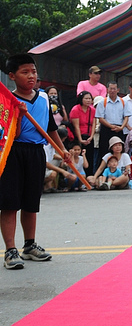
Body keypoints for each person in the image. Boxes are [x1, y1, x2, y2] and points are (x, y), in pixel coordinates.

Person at [1, 54, 70, 269]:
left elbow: (50, 128)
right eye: (25, 72)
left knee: (31, 202)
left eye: (33, 71)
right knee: (10, 203)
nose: (31, 76)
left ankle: (29, 246)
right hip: (13, 153)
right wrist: (19, 116)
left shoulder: (43, 98)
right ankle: (10, 251)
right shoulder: (8, 103)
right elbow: (9, 134)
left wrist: (63, 150)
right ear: (12, 76)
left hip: (36, 152)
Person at [94, 81, 131, 161]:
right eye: (111, 89)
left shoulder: (123, 102)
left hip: (119, 129)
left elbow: (126, 117)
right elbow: (100, 118)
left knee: (119, 151)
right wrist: (110, 126)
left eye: (114, 89)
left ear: (118, 90)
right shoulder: (102, 102)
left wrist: (121, 127)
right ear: (107, 90)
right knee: (104, 151)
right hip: (106, 129)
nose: (112, 91)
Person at [69, 91, 96, 176]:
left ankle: (89, 176)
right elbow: (76, 126)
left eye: (90, 98)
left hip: (89, 136)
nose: (88, 100)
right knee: (78, 156)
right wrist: (80, 139)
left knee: (90, 157)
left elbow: (94, 124)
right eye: (86, 98)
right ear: (81, 99)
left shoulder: (93, 110)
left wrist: (91, 137)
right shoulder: (76, 109)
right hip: (79, 136)